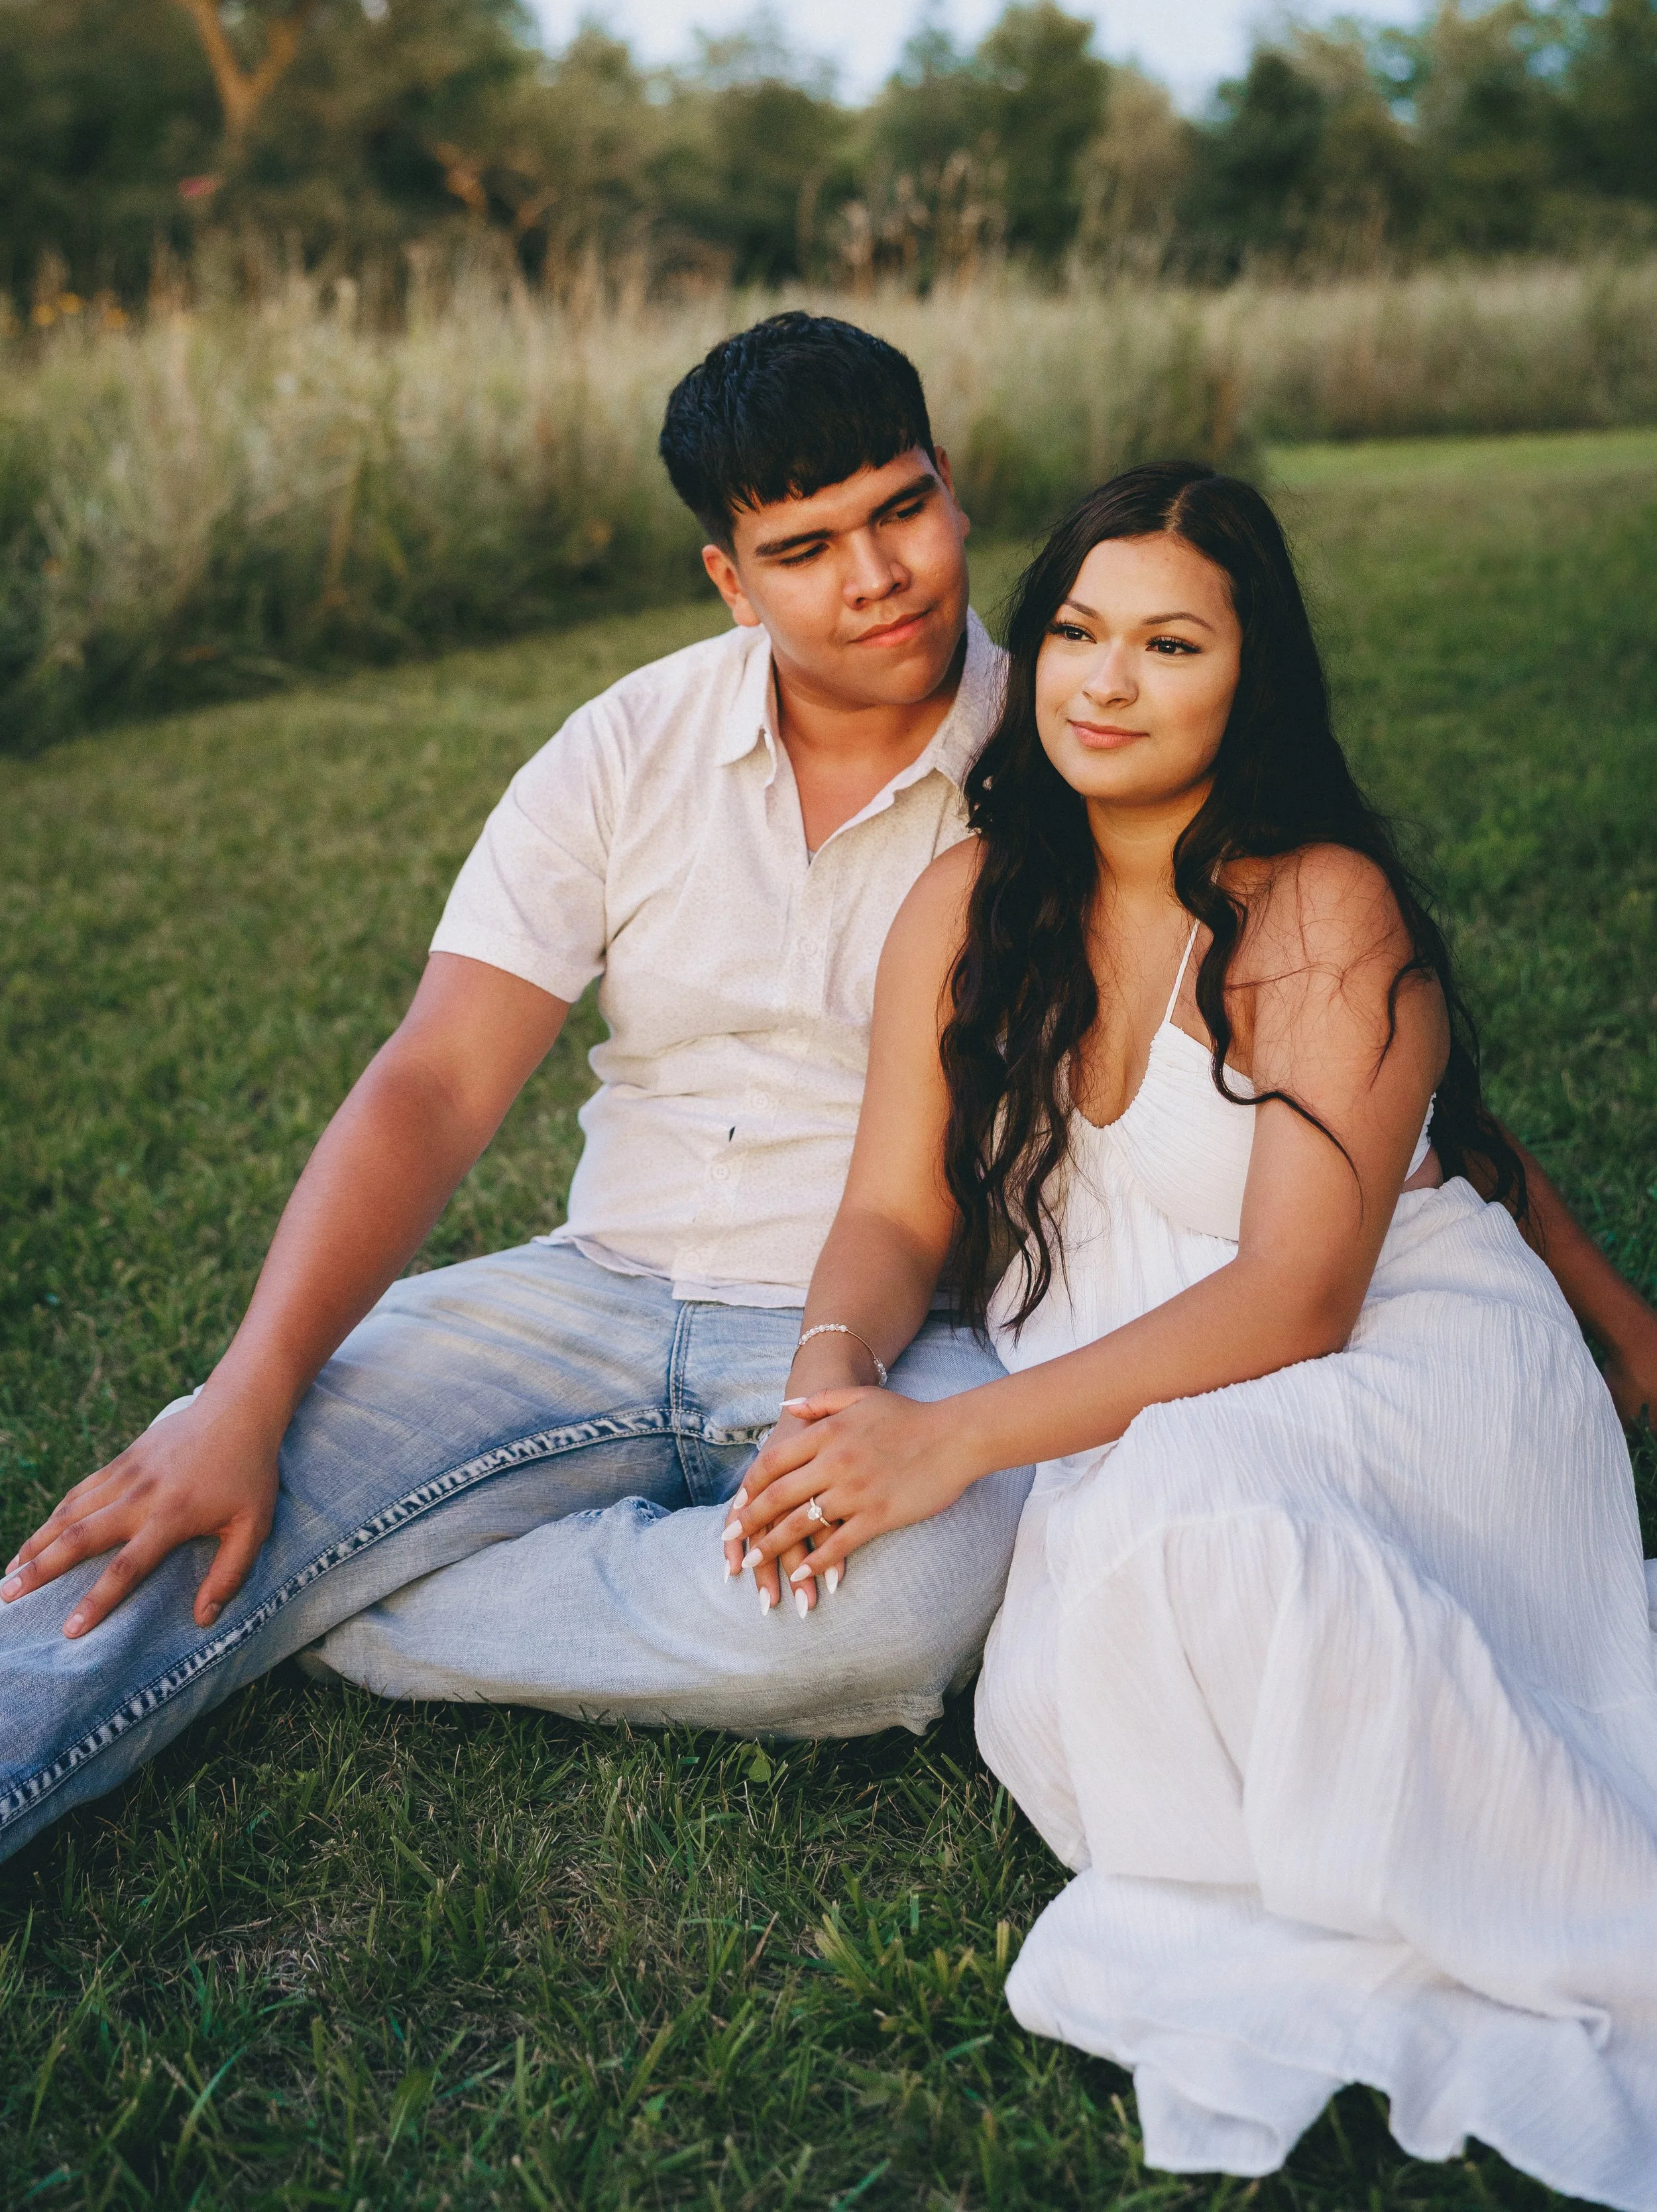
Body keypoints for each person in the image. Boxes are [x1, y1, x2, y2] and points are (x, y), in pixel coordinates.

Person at [1, 326, 1649, 1873]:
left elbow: (1369, 1094)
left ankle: (336, 1593)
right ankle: (273, 1559)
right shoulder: (627, 746)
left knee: (910, 1605)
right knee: (202, 1481)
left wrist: (1604, 1309)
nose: (875, 579)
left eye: (900, 513)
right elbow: (433, 1079)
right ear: (730, 579)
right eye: (802, 550)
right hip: (597, 1279)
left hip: (924, 1328)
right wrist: (246, 1382)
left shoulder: (1079, 735)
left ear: (949, 487)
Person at [726, 462, 1657, 2207]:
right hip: (1137, 1393)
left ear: (1250, 677)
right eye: (1075, 628)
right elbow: (889, 1214)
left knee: (1205, 1528)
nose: (1100, 677)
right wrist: (837, 1376)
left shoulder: (1314, 901)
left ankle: (1570, 1888)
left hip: (1399, 1358)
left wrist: (949, 1437)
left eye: (1168, 641)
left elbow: (1302, 1292)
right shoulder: (966, 905)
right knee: (1066, 1680)